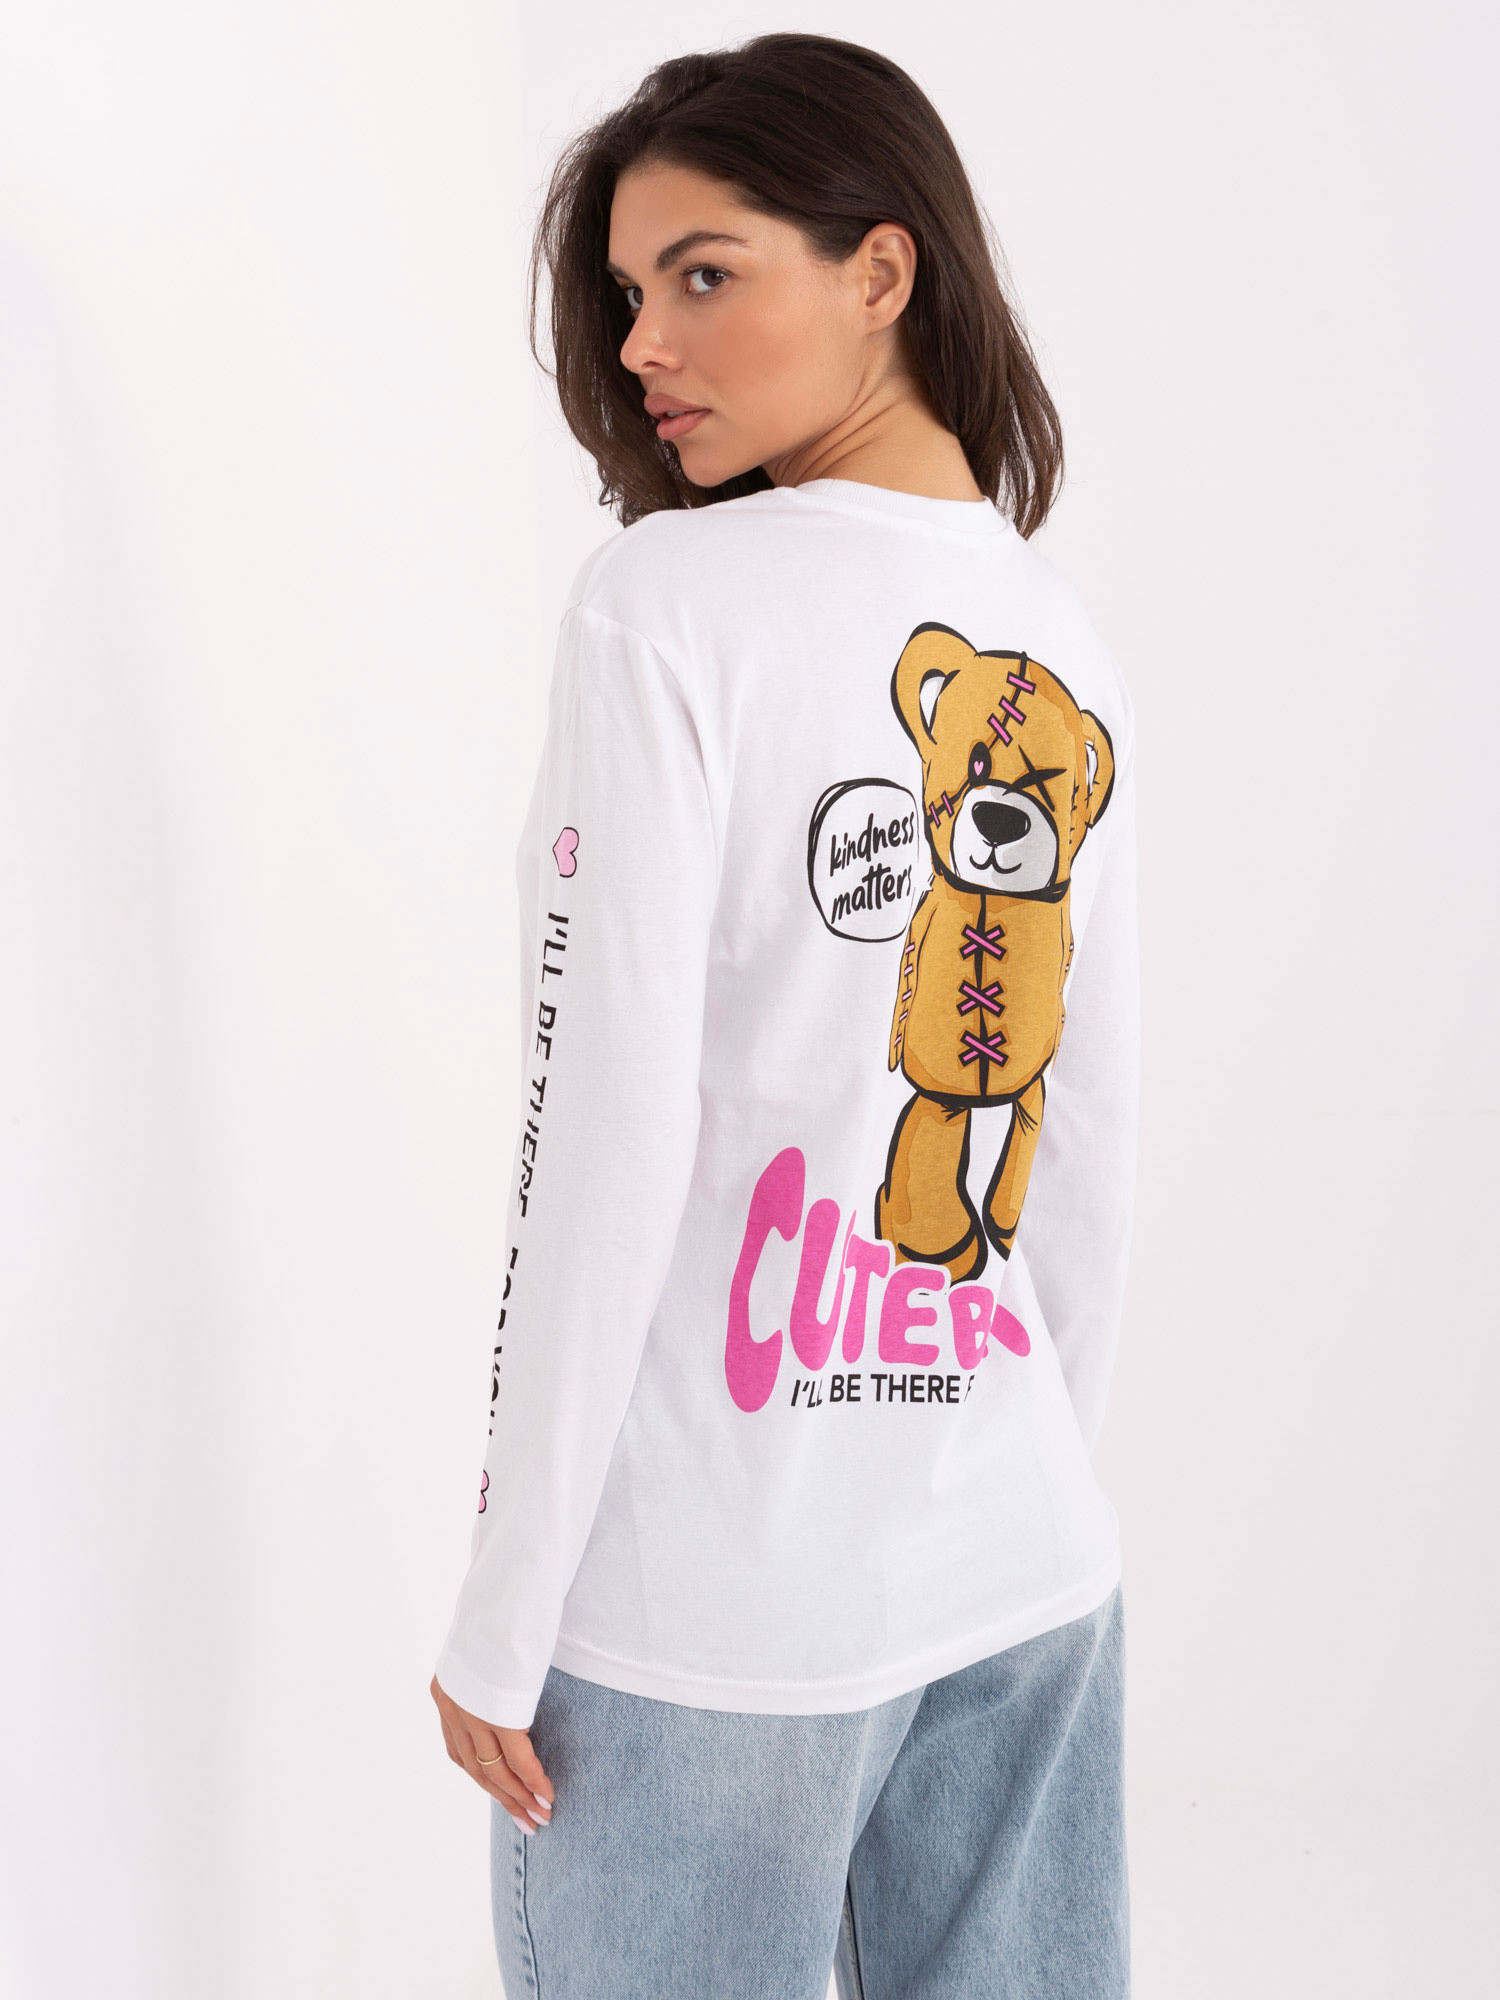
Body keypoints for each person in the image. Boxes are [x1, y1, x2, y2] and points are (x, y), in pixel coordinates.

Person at [431, 31, 1140, 2000]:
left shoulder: (665, 603)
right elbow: (1084, 1141)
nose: (645, 342)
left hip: (712, 1614)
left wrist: (506, 1604)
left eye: (704, 273)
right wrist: (995, 1480)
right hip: (1025, 1568)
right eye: (627, 292)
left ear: (882, 270)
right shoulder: (1060, 635)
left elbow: (603, 1136)